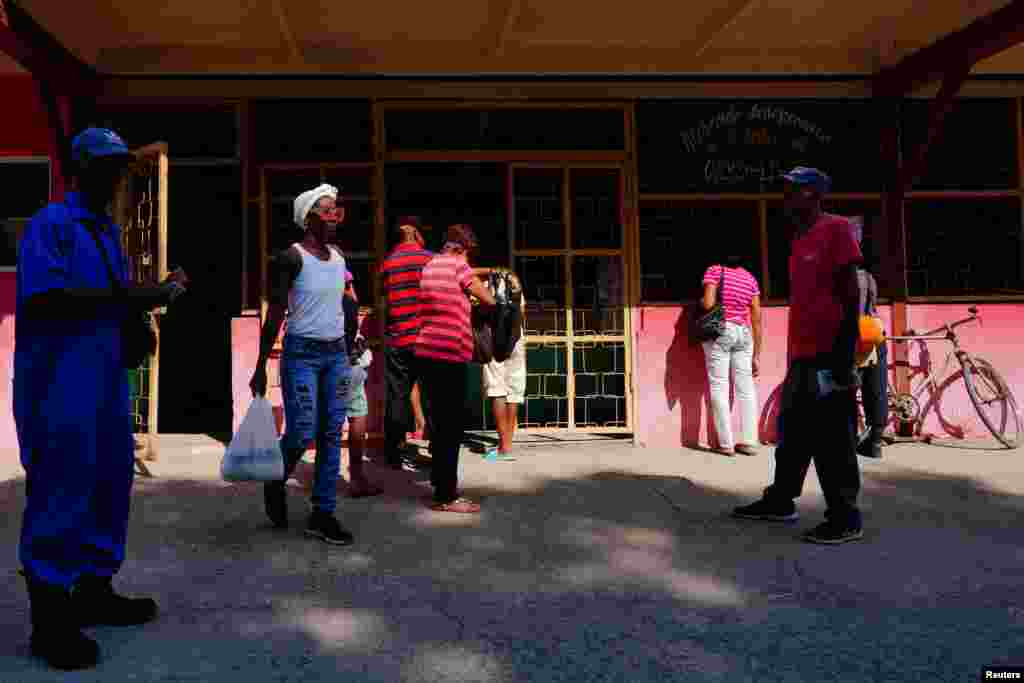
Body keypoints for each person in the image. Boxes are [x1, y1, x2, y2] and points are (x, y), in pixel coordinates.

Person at [15, 127, 189, 670]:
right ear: (77, 169)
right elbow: (48, 300)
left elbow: (109, 306)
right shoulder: (53, 226)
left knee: (109, 486)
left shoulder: (106, 234)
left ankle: (94, 590)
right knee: (61, 492)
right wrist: (142, 296)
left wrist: (139, 323)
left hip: (105, 383)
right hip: (59, 388)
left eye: (121, 168)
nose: (116, 177)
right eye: (105, 167)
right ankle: (50, 621)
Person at [732, 166, 865, 545]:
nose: (786, 197)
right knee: (793, 431)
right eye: (785, 191)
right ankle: (780, 501)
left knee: (833, 438)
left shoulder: (836, 229)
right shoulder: (798, 238)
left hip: (830, 353)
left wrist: (845, 353)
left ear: (815, 195)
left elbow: (850, 293)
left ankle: (845, 516)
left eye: (794, 191)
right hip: (803, 354)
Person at [250, 184, 355, 546]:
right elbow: (276, 312)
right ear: (308, 218)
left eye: (337, 212)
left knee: (331, 433)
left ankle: (322, 514)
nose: (335, 218)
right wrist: (261, 363)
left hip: (337, 355)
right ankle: (276, 477)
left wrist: (351, 340)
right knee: (303, 429)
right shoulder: (291, 258)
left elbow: (346, 303)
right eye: (328, 212)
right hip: (302, 355)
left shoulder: (339, 257)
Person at [416, 224, 495, 513]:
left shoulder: (428, 267)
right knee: (451, 427)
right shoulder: (459, 268)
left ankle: (440, 485)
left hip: (425, 351)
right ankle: (447, 496)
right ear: (462, 250)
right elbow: (488, 299)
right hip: (450, 353)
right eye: (469, 255)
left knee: (438, 423)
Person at [379, 217, 434, 469]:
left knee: (397, 396)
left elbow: (382, 302)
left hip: (397, 338)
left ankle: (393, 453)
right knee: (434, 394)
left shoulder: (387, 263)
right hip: (427, 338)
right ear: (415, 234)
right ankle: (438, 448)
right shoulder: (429, 260)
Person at [700, 254, 762, 456]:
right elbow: (757, 316)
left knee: (719, 385)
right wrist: (757, 354)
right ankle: (750, 441)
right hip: (744, 333)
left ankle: (726, 443)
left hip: (722, 330)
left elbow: (709, 304)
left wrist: (701, 300)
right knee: (746, 388)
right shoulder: (750, 279)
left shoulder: (715, 271)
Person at [477, 267, 526, 457]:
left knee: (497, 389)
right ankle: (508, 443)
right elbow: (522, 314)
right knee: (514, 389)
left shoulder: (483, 286)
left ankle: (503, 446)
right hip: (515, 340)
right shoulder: (515, 286)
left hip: (493, 342)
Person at [342, 279, 382, 496]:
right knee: (357, 415)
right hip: (348, 365)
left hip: (322, 367)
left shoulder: (310, 299)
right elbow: (353, 303)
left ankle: (323, 477)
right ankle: (357, 478)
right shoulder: (347, 302)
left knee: (326, 423)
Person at [851, 219, 887, 460]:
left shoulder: (840, 278)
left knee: (848, 386)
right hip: (871, 330)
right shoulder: (869, 277)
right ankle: (875, 438)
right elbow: (871, 308)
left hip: (850, 334)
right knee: (876, 385)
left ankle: (847, 436)